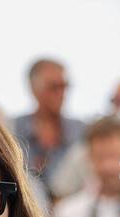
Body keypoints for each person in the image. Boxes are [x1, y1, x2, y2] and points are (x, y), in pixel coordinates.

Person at [11, 59, 85, 191]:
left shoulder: (82, 132)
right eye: (53, 87)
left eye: (64, 86)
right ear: (34, 89)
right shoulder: (13, 130)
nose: (61, 94)